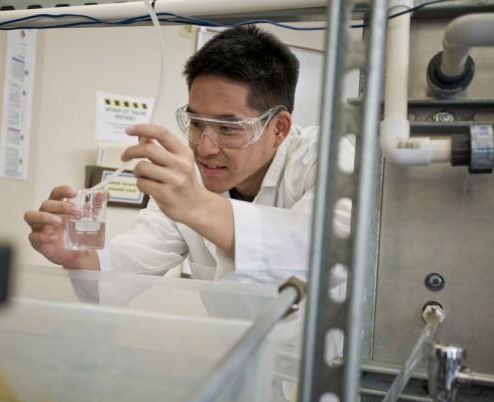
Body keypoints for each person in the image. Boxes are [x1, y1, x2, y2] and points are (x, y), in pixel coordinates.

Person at [24, 24, 353, 285]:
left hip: (319, 367)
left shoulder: (329, 159)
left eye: (228, 128)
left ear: (278, 128)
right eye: (196, 123)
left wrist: (197, 205)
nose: (205, 148)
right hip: (233, 359)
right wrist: (79, 258)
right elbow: (127, 264)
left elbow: (325, 254)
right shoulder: (190, 179)